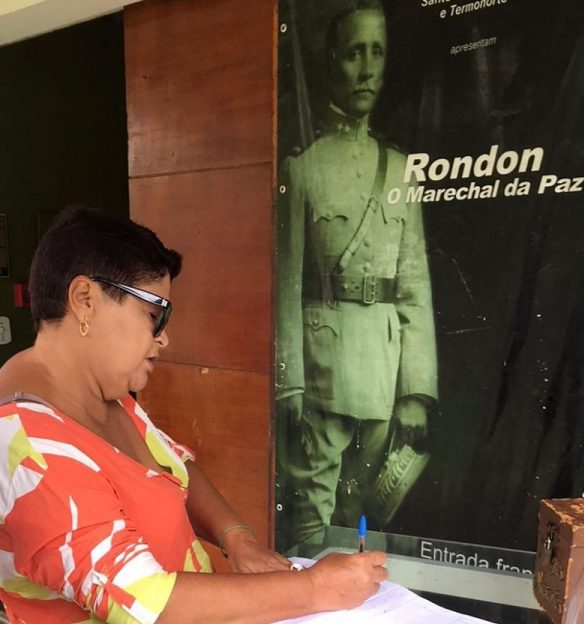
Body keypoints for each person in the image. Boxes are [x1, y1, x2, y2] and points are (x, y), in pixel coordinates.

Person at [0, 206, 387, 624]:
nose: (164, 337)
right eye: (154, 315)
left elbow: (176, 469)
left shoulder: (106, 394)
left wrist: (236, 539)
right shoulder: (25, 443)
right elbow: (141, 602)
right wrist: (316, 588)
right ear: (85, 300)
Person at [276, 0, 437, 546]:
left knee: (358, 517)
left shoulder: (400, 170)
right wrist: (290, 382)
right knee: (311, 523)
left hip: (383, 372)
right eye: (353, 54)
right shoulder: (303, 168)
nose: (366, 69)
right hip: (322, 370)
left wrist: (415, 392)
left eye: (377, 53)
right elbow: (286, 286)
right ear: (331, 63)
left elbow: (414, 287)